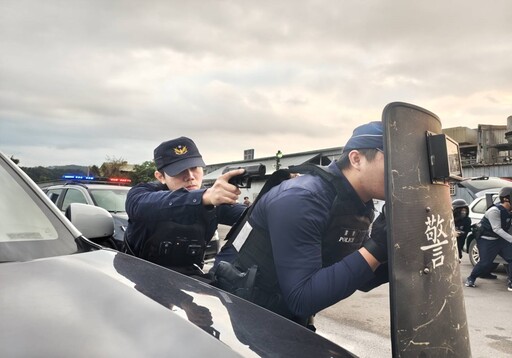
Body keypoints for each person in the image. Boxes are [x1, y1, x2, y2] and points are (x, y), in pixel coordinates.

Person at [212, 122, 389, 327]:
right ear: (356, 159)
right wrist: (378, 247)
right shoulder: (304, 199)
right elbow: (302, 298)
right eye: (393, 160)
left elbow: (363, 275)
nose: (401, 172)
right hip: (239, 316)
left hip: (281, 319)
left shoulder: (356, 202)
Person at [124, 136, 246, 276]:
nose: (190, 176)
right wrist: (202, 197)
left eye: (194, 167)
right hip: (136, 281)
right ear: (160, 177)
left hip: (189, 283)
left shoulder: (211, 199)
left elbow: (251, 217)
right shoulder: (141, 194)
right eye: (179, 170)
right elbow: (145, 206)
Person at [465, 187, 512, 291]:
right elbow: (497, 229)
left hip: (500, 239)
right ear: (506, 199)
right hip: (487, 239)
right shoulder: (494, 211)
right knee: (485, 263)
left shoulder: (509, 211)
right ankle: (471, 278)